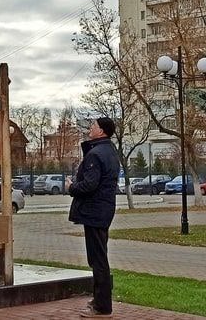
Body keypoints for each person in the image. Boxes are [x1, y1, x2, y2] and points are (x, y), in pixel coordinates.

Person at [68, 117, 121, 317]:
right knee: (99, 257)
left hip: (94, 211)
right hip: (103, 210)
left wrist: (71, 187)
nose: (91, 128)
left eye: (94, 126)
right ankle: (99, 300)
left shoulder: (96, 154)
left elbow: (90, 185)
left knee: (98, 259)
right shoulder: (110, 151)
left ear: (102, 131)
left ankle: (102, 306)